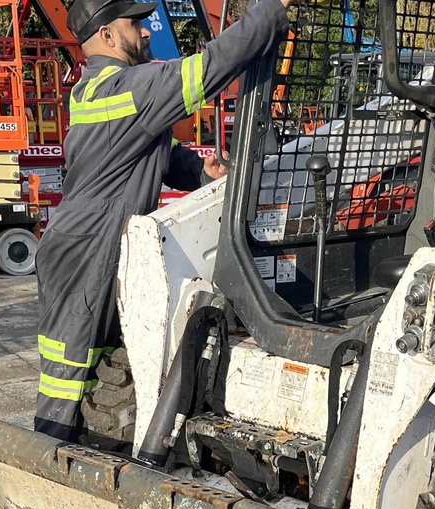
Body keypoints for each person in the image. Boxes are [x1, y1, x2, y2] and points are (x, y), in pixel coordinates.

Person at [34, 0, 292, 442]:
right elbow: (209, 68)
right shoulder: (129, 89)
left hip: (89, 239)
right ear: (107, 36)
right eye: (134, 24)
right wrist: (269, 10)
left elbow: (149, 153)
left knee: (102, 362)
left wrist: (199, 172)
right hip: (85, 248)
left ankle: (89, 446)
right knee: (68, 371)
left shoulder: (98, 90)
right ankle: (46, 454)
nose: (146, 31)